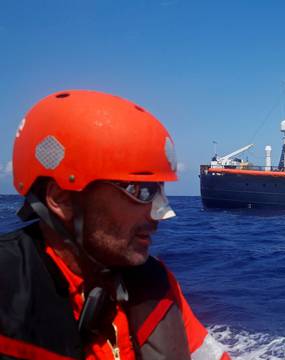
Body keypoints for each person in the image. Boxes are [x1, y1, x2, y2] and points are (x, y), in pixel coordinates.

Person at [0, 90, 230, 360]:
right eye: (140, 190)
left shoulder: (155, 283)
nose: (161, 214)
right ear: (61, 199)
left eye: (159, 191)